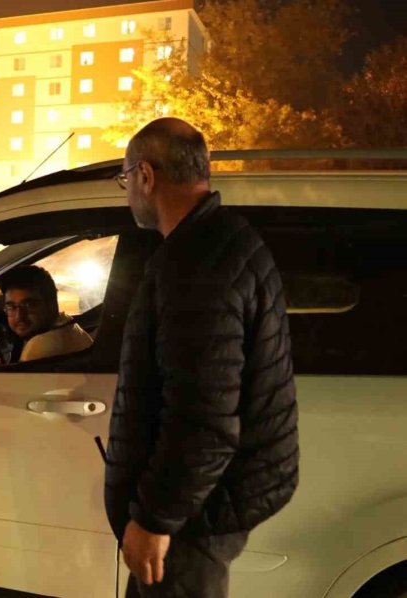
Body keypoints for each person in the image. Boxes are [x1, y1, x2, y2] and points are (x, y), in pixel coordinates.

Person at [103, 118, 298, 598]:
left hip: (193, 513)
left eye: (127, 179)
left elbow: (203, 418)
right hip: (202, 503)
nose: (128, 191)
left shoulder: (198, 266)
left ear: (146, 176)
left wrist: (154, 518)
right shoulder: (220, 242)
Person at [0, 265, 93, 362]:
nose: (19, 316)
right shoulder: (66, 322)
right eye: (11, 307)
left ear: (52, 304)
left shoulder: (39, 348)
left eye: (29, 305)